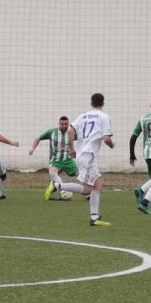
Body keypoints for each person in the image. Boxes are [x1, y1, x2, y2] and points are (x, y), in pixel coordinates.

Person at [50, 93, 114, 227]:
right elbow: (106, 139)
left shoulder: (82, 116)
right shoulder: (104, 117)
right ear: (103, 103)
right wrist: (111, 144)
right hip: (89, 155)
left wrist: (72, 149)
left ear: (91, 103)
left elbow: (69, 131)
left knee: (98, 184)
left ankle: (94, 218)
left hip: (82, 155)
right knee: (87, 189)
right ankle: (57, 186)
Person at [29, 116, 78, 201]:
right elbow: (38, 138)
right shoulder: (52, 132)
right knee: (52, 174)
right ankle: (63, 192)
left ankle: (88, 194)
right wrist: (32, 148)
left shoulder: (71, 133)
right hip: (55, 161)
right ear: (59, 124)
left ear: (68, 124)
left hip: (68, 161)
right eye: (62, 124)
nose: (64, 126)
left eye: (66, 124)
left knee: (81, 175)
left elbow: (82, 139)